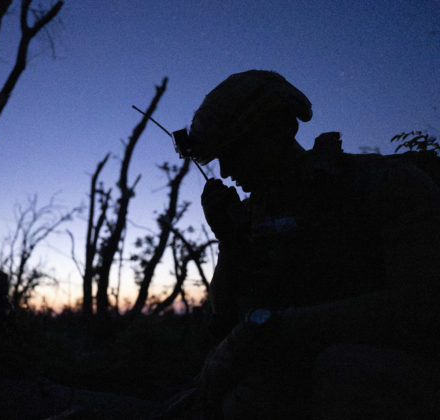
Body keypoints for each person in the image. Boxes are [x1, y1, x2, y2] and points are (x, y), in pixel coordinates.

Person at [180, 70, 440, 419]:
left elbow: (419, 307)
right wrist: (229, 243)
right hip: (290, 382)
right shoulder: (249, 217)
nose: (226, 172)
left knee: (346, 369)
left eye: (237, 149)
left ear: (282, 127)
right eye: (218, 157)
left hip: (382, 382)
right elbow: (222, 322)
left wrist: (267, 329)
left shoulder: (387, 185)